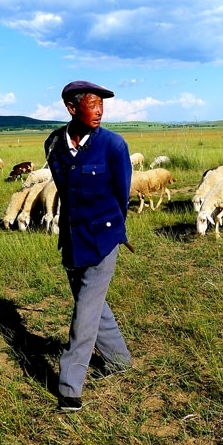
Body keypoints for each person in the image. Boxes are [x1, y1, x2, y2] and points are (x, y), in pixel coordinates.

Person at [44, 80, 133, 412]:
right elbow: (66, 189)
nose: (99, 111)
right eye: (92, 105)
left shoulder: (114, 145)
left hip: (103, 239)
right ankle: (120, 361)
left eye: (102, 106)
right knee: (93, 305)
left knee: (84, 312)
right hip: (72, 238)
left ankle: (69, 388)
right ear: (71, 108)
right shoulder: (53, 144)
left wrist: (110, 229)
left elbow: (121, 196)